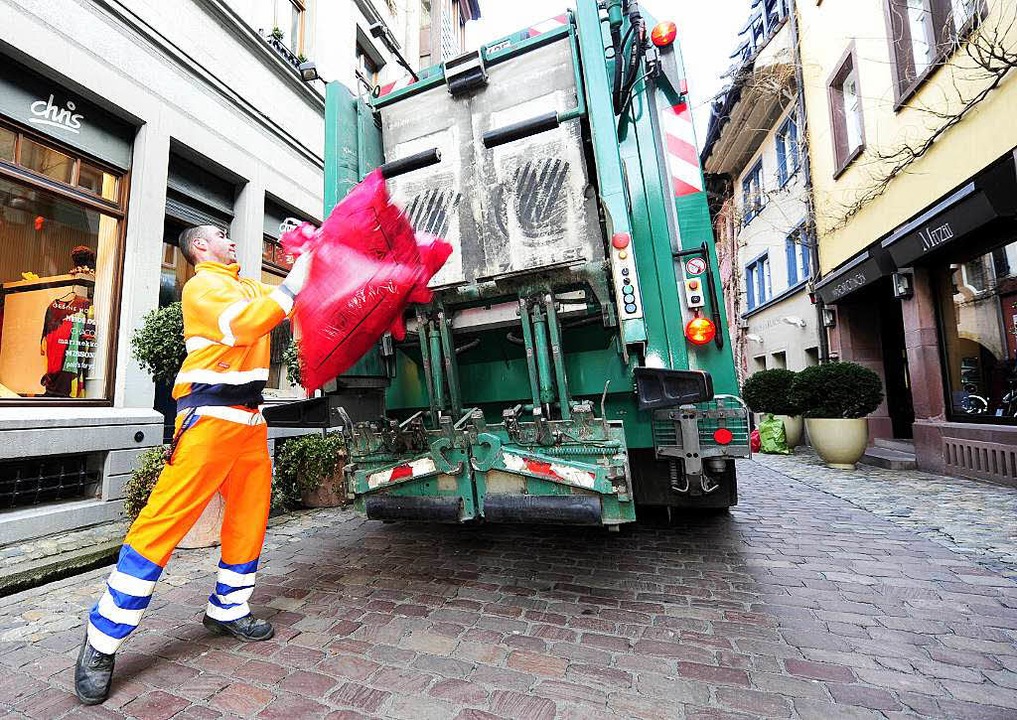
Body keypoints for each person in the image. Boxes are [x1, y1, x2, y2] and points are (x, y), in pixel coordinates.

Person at [74, 225, 311, 705]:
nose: (231, 240)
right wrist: (295, 280)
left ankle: (228, 608)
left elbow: (286, 303)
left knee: (249, 519)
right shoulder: (203, 286)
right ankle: (101, 642)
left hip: (249, 419)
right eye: (222, 235)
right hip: (210, 418)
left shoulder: (243, 284)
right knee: (164, 521)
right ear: (200, 247)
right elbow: (248, 323)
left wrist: (314, 258)